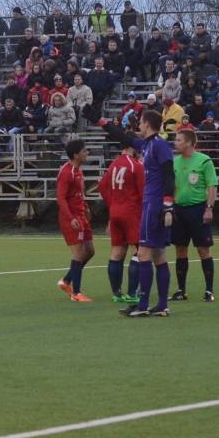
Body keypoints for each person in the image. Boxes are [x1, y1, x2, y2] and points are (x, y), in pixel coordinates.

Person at [121, 110, 175, 317]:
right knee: (159, 254)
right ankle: (161, 305)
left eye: (141, 123)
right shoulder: (148, 144)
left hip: (154, 205)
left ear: (148, 124)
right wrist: (102, 123)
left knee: (143, 254)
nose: (139, 126)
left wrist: (168, 205)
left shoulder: (159, 145)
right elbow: (126, 138)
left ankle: (143, 305)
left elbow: (169, 174)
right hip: (153, 204)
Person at [170, 127, 218, 302]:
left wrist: (209, 208)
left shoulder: (204, 161)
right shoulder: (175, 161)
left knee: (203, 250)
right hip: (179, 210)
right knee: (180, 249)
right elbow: (172, 186)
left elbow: (212, 186)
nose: (176, 143)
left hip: (198, 210)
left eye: (179, 140)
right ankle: (181, 290)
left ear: (189, 142)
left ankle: (209, 291)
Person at [99, 134, 144, 303]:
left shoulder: (114, 164)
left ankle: (117, 294)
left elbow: (102, 187)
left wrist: (113, 204)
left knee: (117, 251)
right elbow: (143, 193)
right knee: (139, 251)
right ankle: (133, 293)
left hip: (115, 211)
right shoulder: (136, 166)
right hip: (132, 212)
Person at [55, 138, 95, 302]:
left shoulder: (78, 170)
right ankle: (76, 293)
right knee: (78, 254)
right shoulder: (66, 172)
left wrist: (85, 208)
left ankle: (66, 281)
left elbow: (78, 194)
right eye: (84, 151)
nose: (87, 153)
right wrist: (71, 218)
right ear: (76, 154)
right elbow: (61, 198)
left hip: (80, 215)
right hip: (71, 218)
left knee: (90, 251)